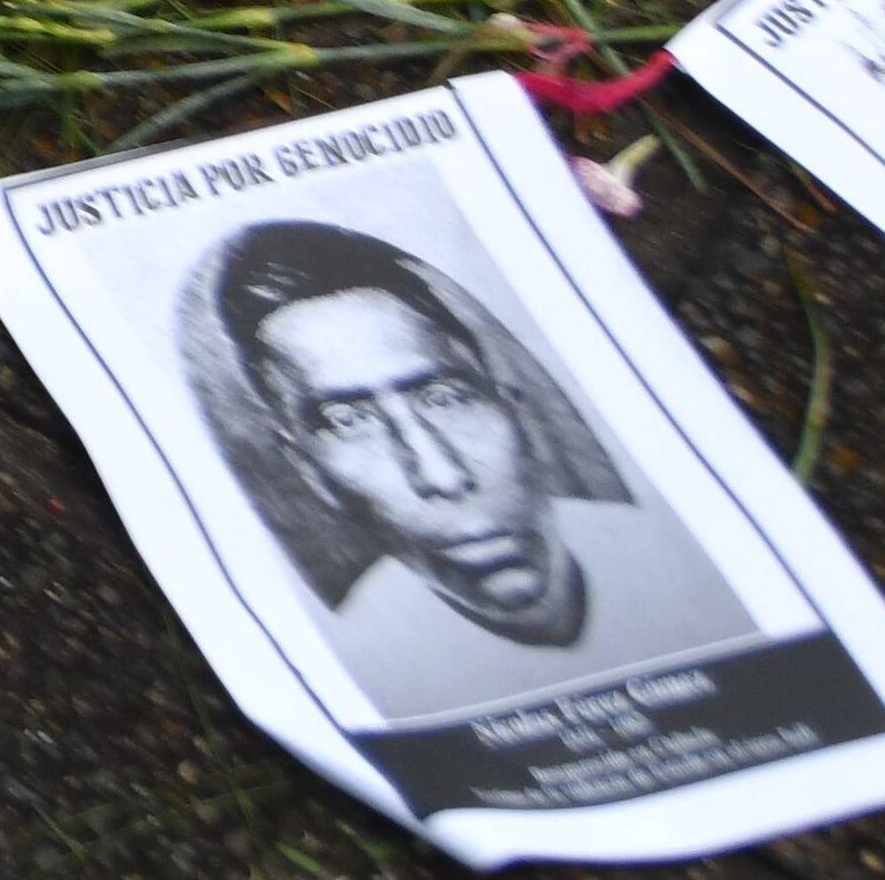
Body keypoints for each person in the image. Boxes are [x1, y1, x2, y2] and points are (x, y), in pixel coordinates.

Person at [207, 222, 754, 719]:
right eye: (348, 421)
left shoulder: (710, 555)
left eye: (445, 397)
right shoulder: (349, 668)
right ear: (310, 472)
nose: (441, 474)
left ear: (514, 408)